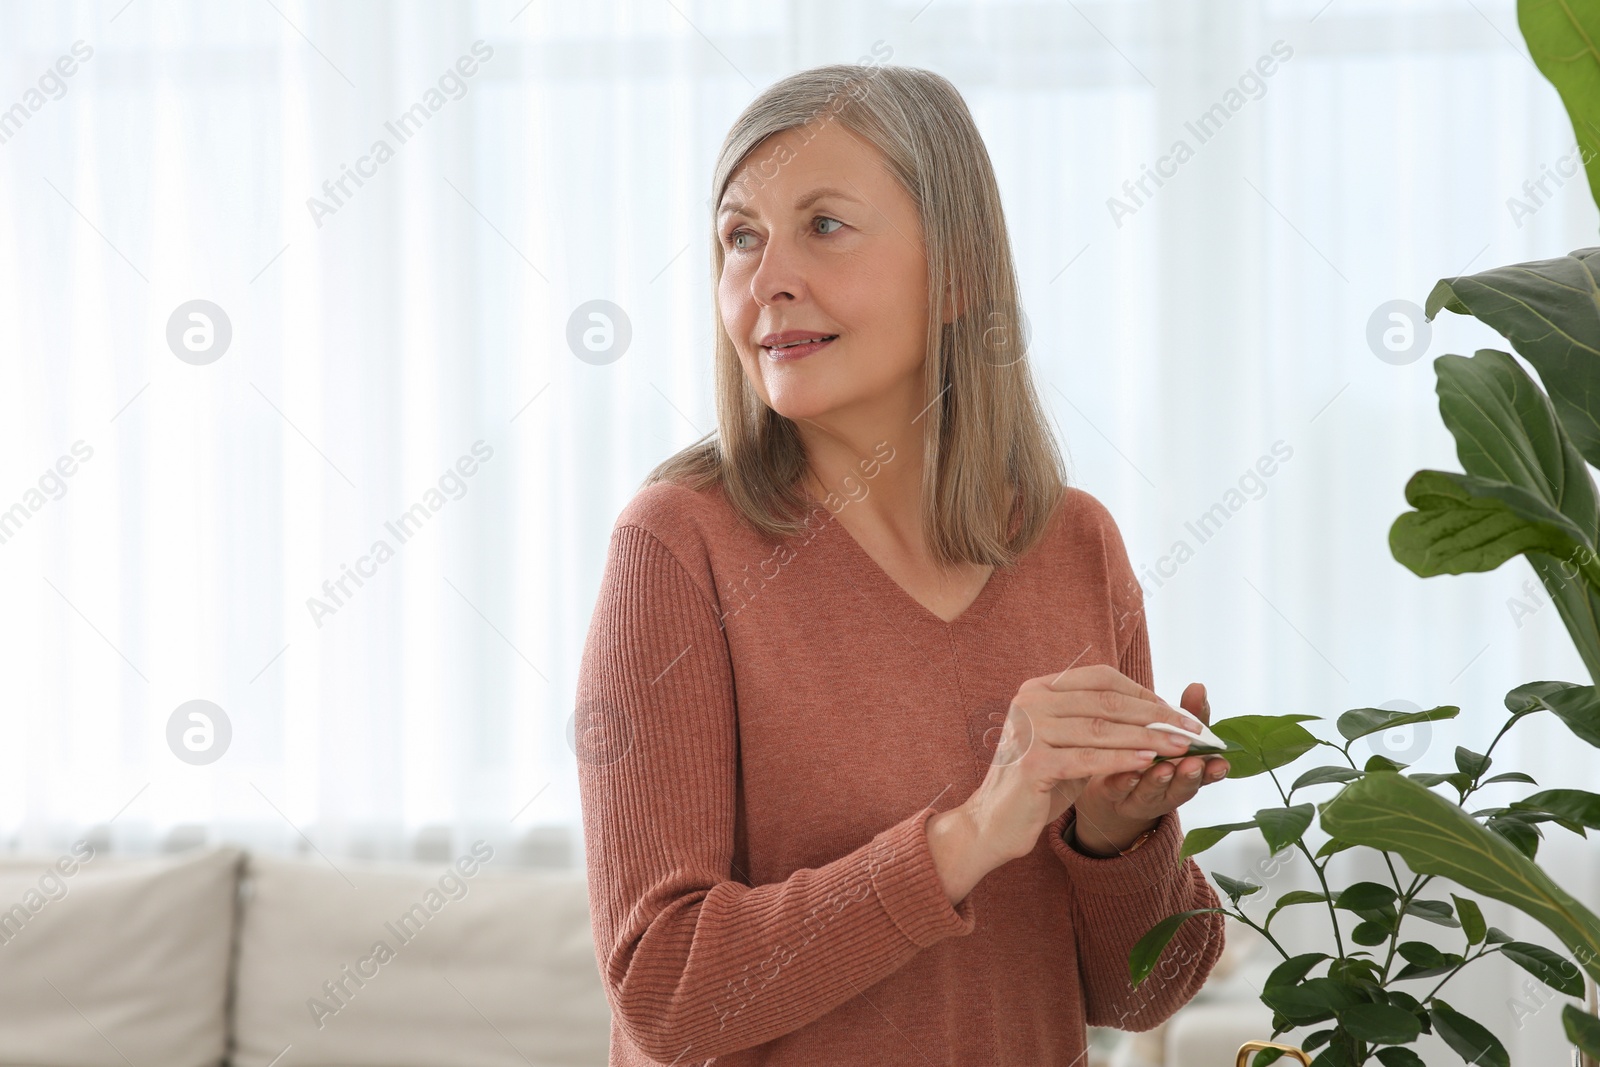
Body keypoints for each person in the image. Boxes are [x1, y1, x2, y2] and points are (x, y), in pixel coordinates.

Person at [575, 62, 1228, 1066]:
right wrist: (969, 835)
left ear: (959, 271)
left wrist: (1115, 837)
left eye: (824, 225)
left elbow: (1144, 990)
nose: (766, 276)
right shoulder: (678, 546)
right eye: (740, 235)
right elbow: (665, 990)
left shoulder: (1074, 546)